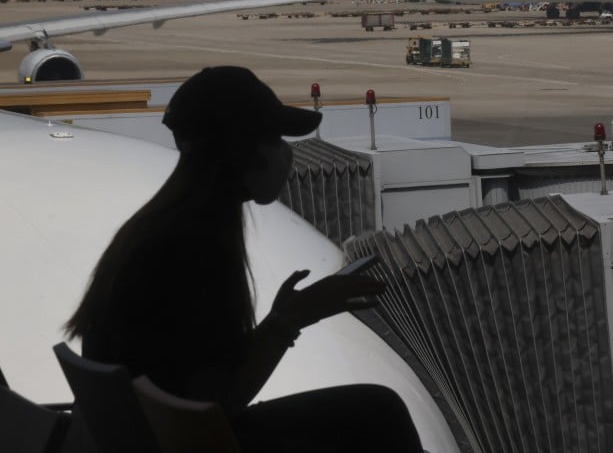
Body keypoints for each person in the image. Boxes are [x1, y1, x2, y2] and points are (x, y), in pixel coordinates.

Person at [65, 66, 423, 452]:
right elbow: (216, 405)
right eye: (276, 139)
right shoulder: (196, 249)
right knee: (379, 412)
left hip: (153, 439)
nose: (286, 153)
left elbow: (194, 378)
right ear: (247, 152)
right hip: (186, 441)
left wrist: (281, 319)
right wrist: (290, 321)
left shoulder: (157, 229)